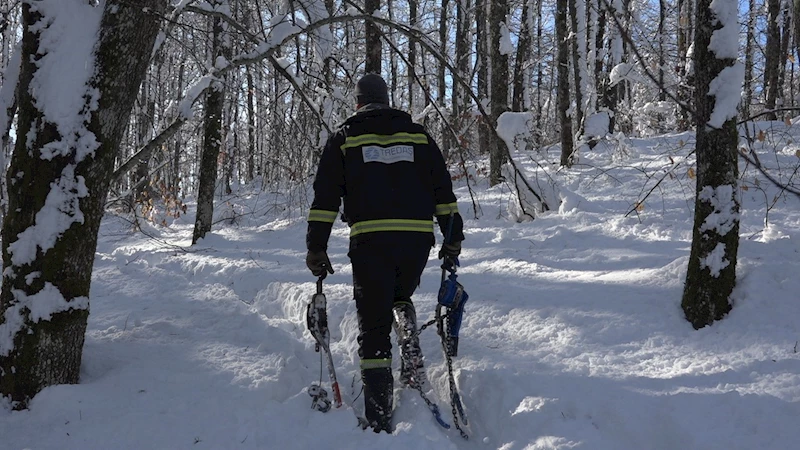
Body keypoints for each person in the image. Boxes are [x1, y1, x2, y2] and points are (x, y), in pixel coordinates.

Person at [304, 73, 465, 434]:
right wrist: (452, 239)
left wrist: (316, 247)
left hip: (370, 243)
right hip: (416, 242)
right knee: (399, 293)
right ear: (388, 100)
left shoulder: (345, 138)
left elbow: (325, 199)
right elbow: (443, 192)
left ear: (358, 103)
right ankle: (409, 346)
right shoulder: (419, 136)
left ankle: (378, 419)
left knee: (374, 327)